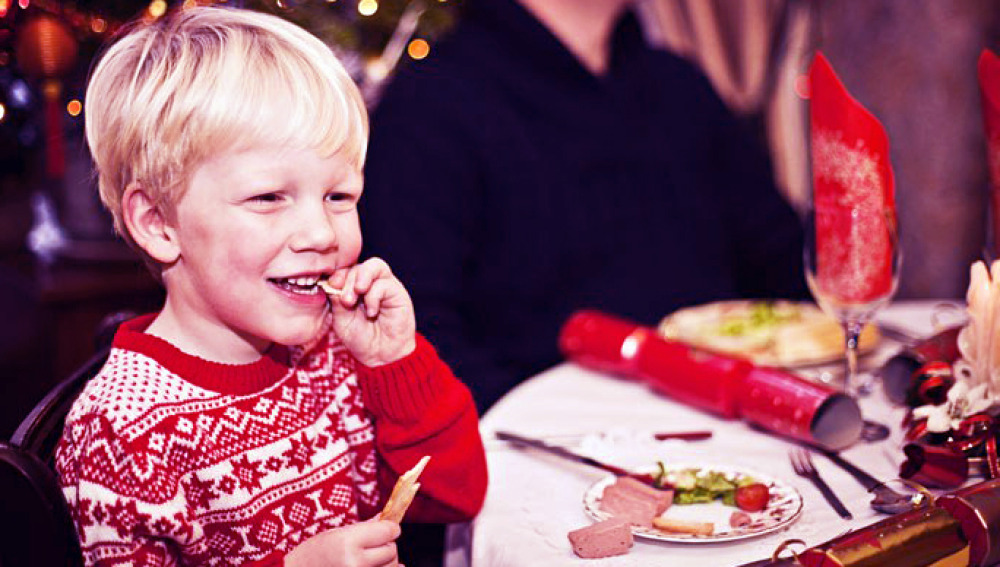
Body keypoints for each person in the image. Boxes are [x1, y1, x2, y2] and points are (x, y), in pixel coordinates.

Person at [54, 7, 487, 565]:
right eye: (268, 197)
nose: (320, 233)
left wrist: (394, 363)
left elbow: (455, 495)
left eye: (339, 197)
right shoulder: (123, 434)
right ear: (159, 223)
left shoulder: (333, 353)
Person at [361, 0, 809, 413]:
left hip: (733, 417)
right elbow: (418, 338)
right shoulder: (430, 107)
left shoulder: (678, 85)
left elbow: (785, 260)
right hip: (555, 452)